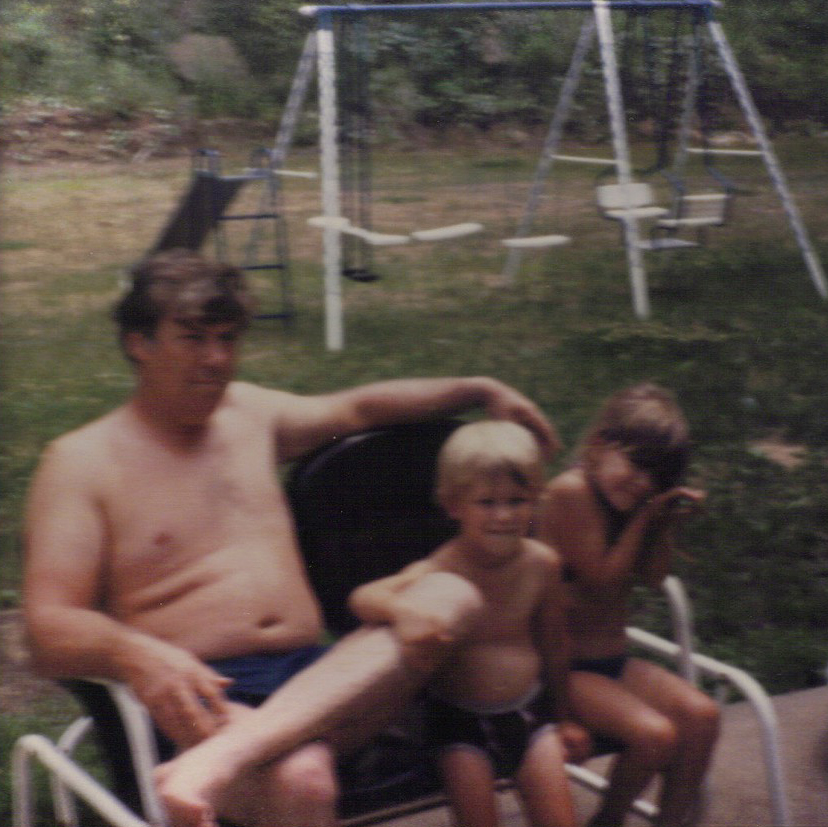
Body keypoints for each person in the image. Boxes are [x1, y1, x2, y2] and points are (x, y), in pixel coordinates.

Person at [22, 248, 560, 827]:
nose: (217, 359)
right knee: (303, 780)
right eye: (194, 338)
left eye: (229, 339)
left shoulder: (249, 413)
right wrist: (137, 653)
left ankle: (221, 760)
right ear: (139, 342)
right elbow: (48, 628)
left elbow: (359, 408)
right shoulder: (80, 462)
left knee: (451, 596)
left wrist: (476, 389)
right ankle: (221, 755)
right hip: (201, 693)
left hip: (324, 680)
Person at [348, 420, 589, 827]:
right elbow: (362, 598)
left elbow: (555, 642)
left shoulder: (542, 565)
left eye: (517, 500)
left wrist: (564, 716)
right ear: (453, 504)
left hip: (528, 715)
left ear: (536, 499)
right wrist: (402, 611)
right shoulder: (440, 567)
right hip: (459, 725)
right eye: (487, 502)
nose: (504, 516)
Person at [536, 382, 720, 827]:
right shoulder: (571, 491)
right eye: (637, 466)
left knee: (702, 716)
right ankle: (609, 821)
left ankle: (672, 820)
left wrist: (663, 523)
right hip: (561, 671)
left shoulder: (628, 501)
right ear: (600, 444)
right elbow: (600, 580)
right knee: (654, 735)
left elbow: (654, 578)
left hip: (611, 663)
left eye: (657, 479)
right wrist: (643, 517)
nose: (643, 484)